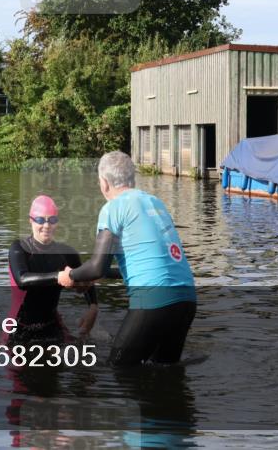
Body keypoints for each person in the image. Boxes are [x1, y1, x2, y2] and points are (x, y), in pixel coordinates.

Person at [59, 151, 196, 366]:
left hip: (153, 299)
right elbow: (146, 260)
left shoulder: (112, 208)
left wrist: (71, 275)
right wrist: (98, 276)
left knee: (119, 369)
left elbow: (96, 267)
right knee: (165, 370)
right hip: (187, 297)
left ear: (104, 183)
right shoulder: (155, 202)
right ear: (132, 178)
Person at [8, 195, 98, 346]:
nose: (47, 225)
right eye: (40, 220)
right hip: (19, 329)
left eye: (52, 220)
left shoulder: (66, 253)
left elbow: (85, 277)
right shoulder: (19, 248)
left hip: (52, 326)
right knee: (18, 367)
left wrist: (93, 306)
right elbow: (22, 280)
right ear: (30, 220)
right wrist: (58, 276)